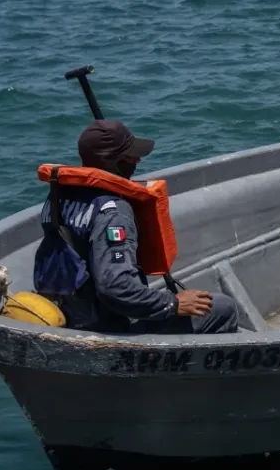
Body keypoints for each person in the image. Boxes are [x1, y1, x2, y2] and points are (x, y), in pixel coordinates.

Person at [33, 120, 238, 334]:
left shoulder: (58, 197)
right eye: (130, 156)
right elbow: (115, 287)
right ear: (112, 161)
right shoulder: (113, 213)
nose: (138, 160)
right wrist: (173, 303)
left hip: (71, 312)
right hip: (109, 326)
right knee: (222, 308)